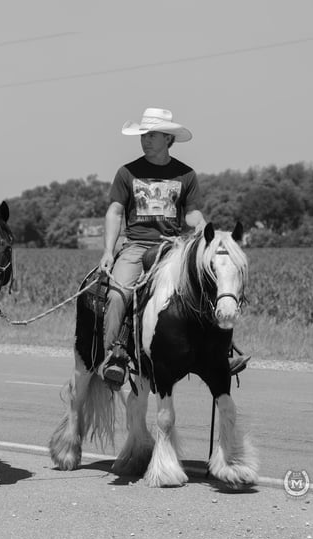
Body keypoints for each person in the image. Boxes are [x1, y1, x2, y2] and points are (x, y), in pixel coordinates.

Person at [98, 107, 249, 389]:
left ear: (169, 139)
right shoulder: (127, 172)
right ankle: (114, 355)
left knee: (208, 286)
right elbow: (115, 212)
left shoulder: (185, 174)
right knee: (119, 293)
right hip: (136, 246)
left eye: (152, 135)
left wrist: (205, 231)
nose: (146, 140)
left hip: (173, 247)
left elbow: (191, 214)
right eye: (144, 134)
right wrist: (109, 251)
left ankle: (222, 353)